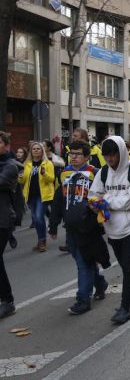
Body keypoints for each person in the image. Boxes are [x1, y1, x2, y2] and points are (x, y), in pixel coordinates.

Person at [90, 136, 130, 324]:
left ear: (121, 152)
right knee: (124, 263)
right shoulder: (104, 172)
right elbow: (94, 195)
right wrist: (100, 202)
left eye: (113, 155)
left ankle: (124, 308)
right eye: (106, 156)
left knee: (128, 266)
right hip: (112, 227)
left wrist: (106, 201)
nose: (110, 159)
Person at [48, 140, 110, 315]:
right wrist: (53, 225)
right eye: (71, 153)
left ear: (87, 157)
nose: (73, 157)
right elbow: (58, 200)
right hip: (71, 227)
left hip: (88, 227)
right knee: (82, 260)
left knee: (84, 263)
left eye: (77, 154)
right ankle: (100, 282)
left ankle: (83, 300)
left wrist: (100, 220)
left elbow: (103, 200)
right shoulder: (64, 173)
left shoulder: (95, 174)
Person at [20, 142, 56, 252]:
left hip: (43, 195)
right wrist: (20, 177)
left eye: (38, 149)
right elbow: (23, 180)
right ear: (31, 151)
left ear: (42, 151)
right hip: (30, 195)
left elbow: (51, 179)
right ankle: (40, 240)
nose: (36, 150)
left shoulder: (47, 163)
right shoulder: (27, 164)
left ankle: (42, 241)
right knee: (35, 219)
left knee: (39, 217)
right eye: (34, 149)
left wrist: (44, 174)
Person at [0, 132, 19, 318]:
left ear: (7, 146)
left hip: (3, 220)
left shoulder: (10, 166)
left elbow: (2, 182)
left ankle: (8, 301)